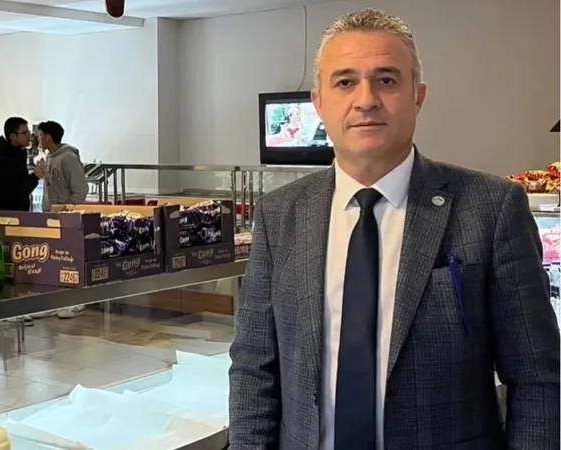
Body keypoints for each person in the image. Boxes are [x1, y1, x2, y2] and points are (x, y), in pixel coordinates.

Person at [228, 8, 559, 450]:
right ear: (318, 103)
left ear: (418, 96)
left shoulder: (491, 208)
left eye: (386, 79)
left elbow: (538, 377)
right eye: (345, 82)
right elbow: (253, 366)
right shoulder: (279, 214)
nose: (366, 99)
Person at [36, 120, 89, 318]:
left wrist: (68, 211)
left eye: (40, 135)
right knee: (54, 261)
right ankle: (54, 301)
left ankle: (78, 301)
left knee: (71, 260)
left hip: (67, 219)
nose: (38, 139)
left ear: (48, 137)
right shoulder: (49, 158)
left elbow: (81, 189)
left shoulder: (68, 158)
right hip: (50, 217)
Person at [0, 117, 40, 211]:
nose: (29, 136)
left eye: (28, 132)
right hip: (9, 213)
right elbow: (16, 192)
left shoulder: (19, 153)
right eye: (24, 133)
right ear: (13, 136)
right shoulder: (5, 160)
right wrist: (35, 176)